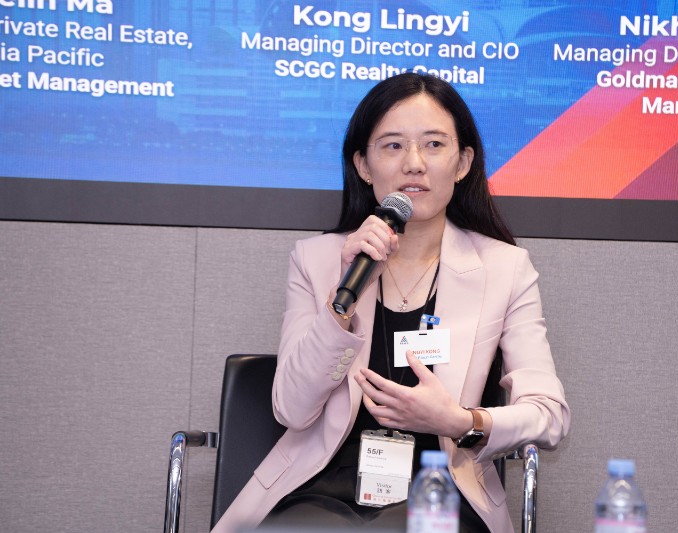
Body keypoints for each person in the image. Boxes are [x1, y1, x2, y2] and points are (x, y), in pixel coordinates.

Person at [211, 72, 570, 533]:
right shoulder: (317, 261)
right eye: (393, 146)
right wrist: (342, 300)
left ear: (463, 163)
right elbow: (292, 409)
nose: (414, 164)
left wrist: (459, 421)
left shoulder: (505, 268)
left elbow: (549, 416)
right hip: (321, 490)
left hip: (442, 492)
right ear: (363, 164)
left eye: (434, 145)